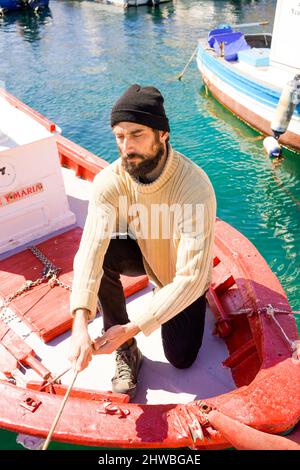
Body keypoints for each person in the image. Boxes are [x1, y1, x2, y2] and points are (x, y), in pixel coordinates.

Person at [68, 84, 216, 400]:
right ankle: (127, 351)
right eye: (120, 137)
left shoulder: (193, 187)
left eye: (136, 135)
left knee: (182, 360)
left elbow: (191, 277)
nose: (127, 147)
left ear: (162, 134)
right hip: (147, 253)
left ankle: (153, 311)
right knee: (104, 251)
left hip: (182, 276)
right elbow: (89, 251)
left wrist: (136, 324)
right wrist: (80, 322)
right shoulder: (110, 181)